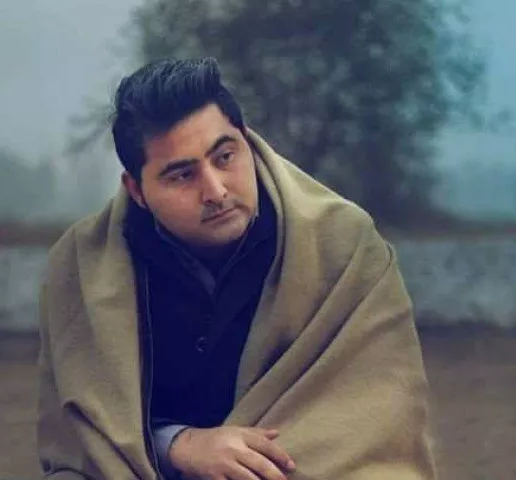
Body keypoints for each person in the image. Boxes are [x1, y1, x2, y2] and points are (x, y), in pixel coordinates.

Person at [37, 57, 436, 480]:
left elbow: (378, 417)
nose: (215, 191)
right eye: (182, 176)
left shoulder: (345, 246)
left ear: (247, 141)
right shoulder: (82, 267)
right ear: (136, 190)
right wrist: (178, 445)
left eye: (225, 157)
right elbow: (82, 433)